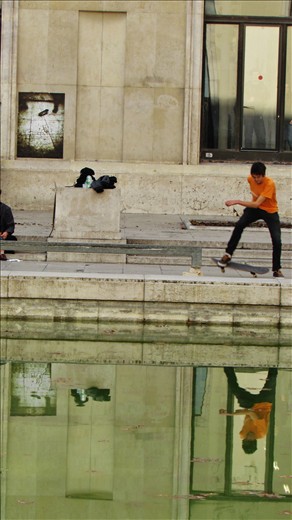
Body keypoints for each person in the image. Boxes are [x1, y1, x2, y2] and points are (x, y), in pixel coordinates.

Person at [218, 162, 283, 277]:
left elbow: (257, 204)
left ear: (263, 175)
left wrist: (237, 201)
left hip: (270, 211)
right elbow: (255, 204)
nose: (256, 180)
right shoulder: (250, 179)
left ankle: (276, 269)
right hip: (254, 210)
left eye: (258, 177)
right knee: (239, 225)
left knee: (277, 240)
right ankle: (228, 254)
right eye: (254, 177)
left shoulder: (270, 184)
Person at [219, 367, 278, 454]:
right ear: (255, 440)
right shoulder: (261, 432)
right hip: (265, 403)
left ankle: (228, 368)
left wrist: (233, 412)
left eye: (246, 439)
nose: (248, 436)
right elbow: (251, 413)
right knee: (271, 381)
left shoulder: (242, 434)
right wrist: (231, 414)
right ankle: (273, 365)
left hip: (251, 405)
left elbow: (247, 412)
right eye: (250, 439)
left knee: (234, 389)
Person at [0, 190, 17, 261]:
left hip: (2, 236)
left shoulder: (6, 209)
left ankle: (1, 253)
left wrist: (6, 232)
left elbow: (11, 226)